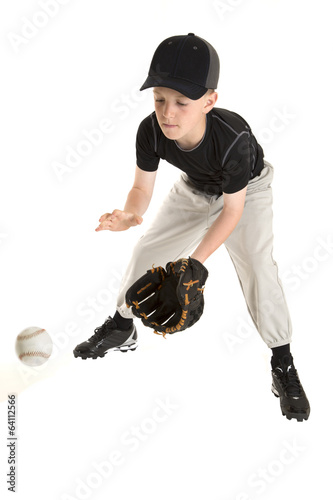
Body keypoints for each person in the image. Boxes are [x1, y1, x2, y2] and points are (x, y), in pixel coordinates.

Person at [73, 33, 310, 421]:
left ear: (209, 101)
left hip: (247, 189)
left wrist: (193, 266)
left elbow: (232, 212)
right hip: (196, 187)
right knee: (146, 251)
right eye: (160, 99)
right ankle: (122, 326)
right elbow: (140, 188)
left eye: (182, 102)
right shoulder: (150, 131)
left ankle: (282, 362)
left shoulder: (233, 138)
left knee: (256, 265)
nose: (169, 113)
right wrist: (130, 215)